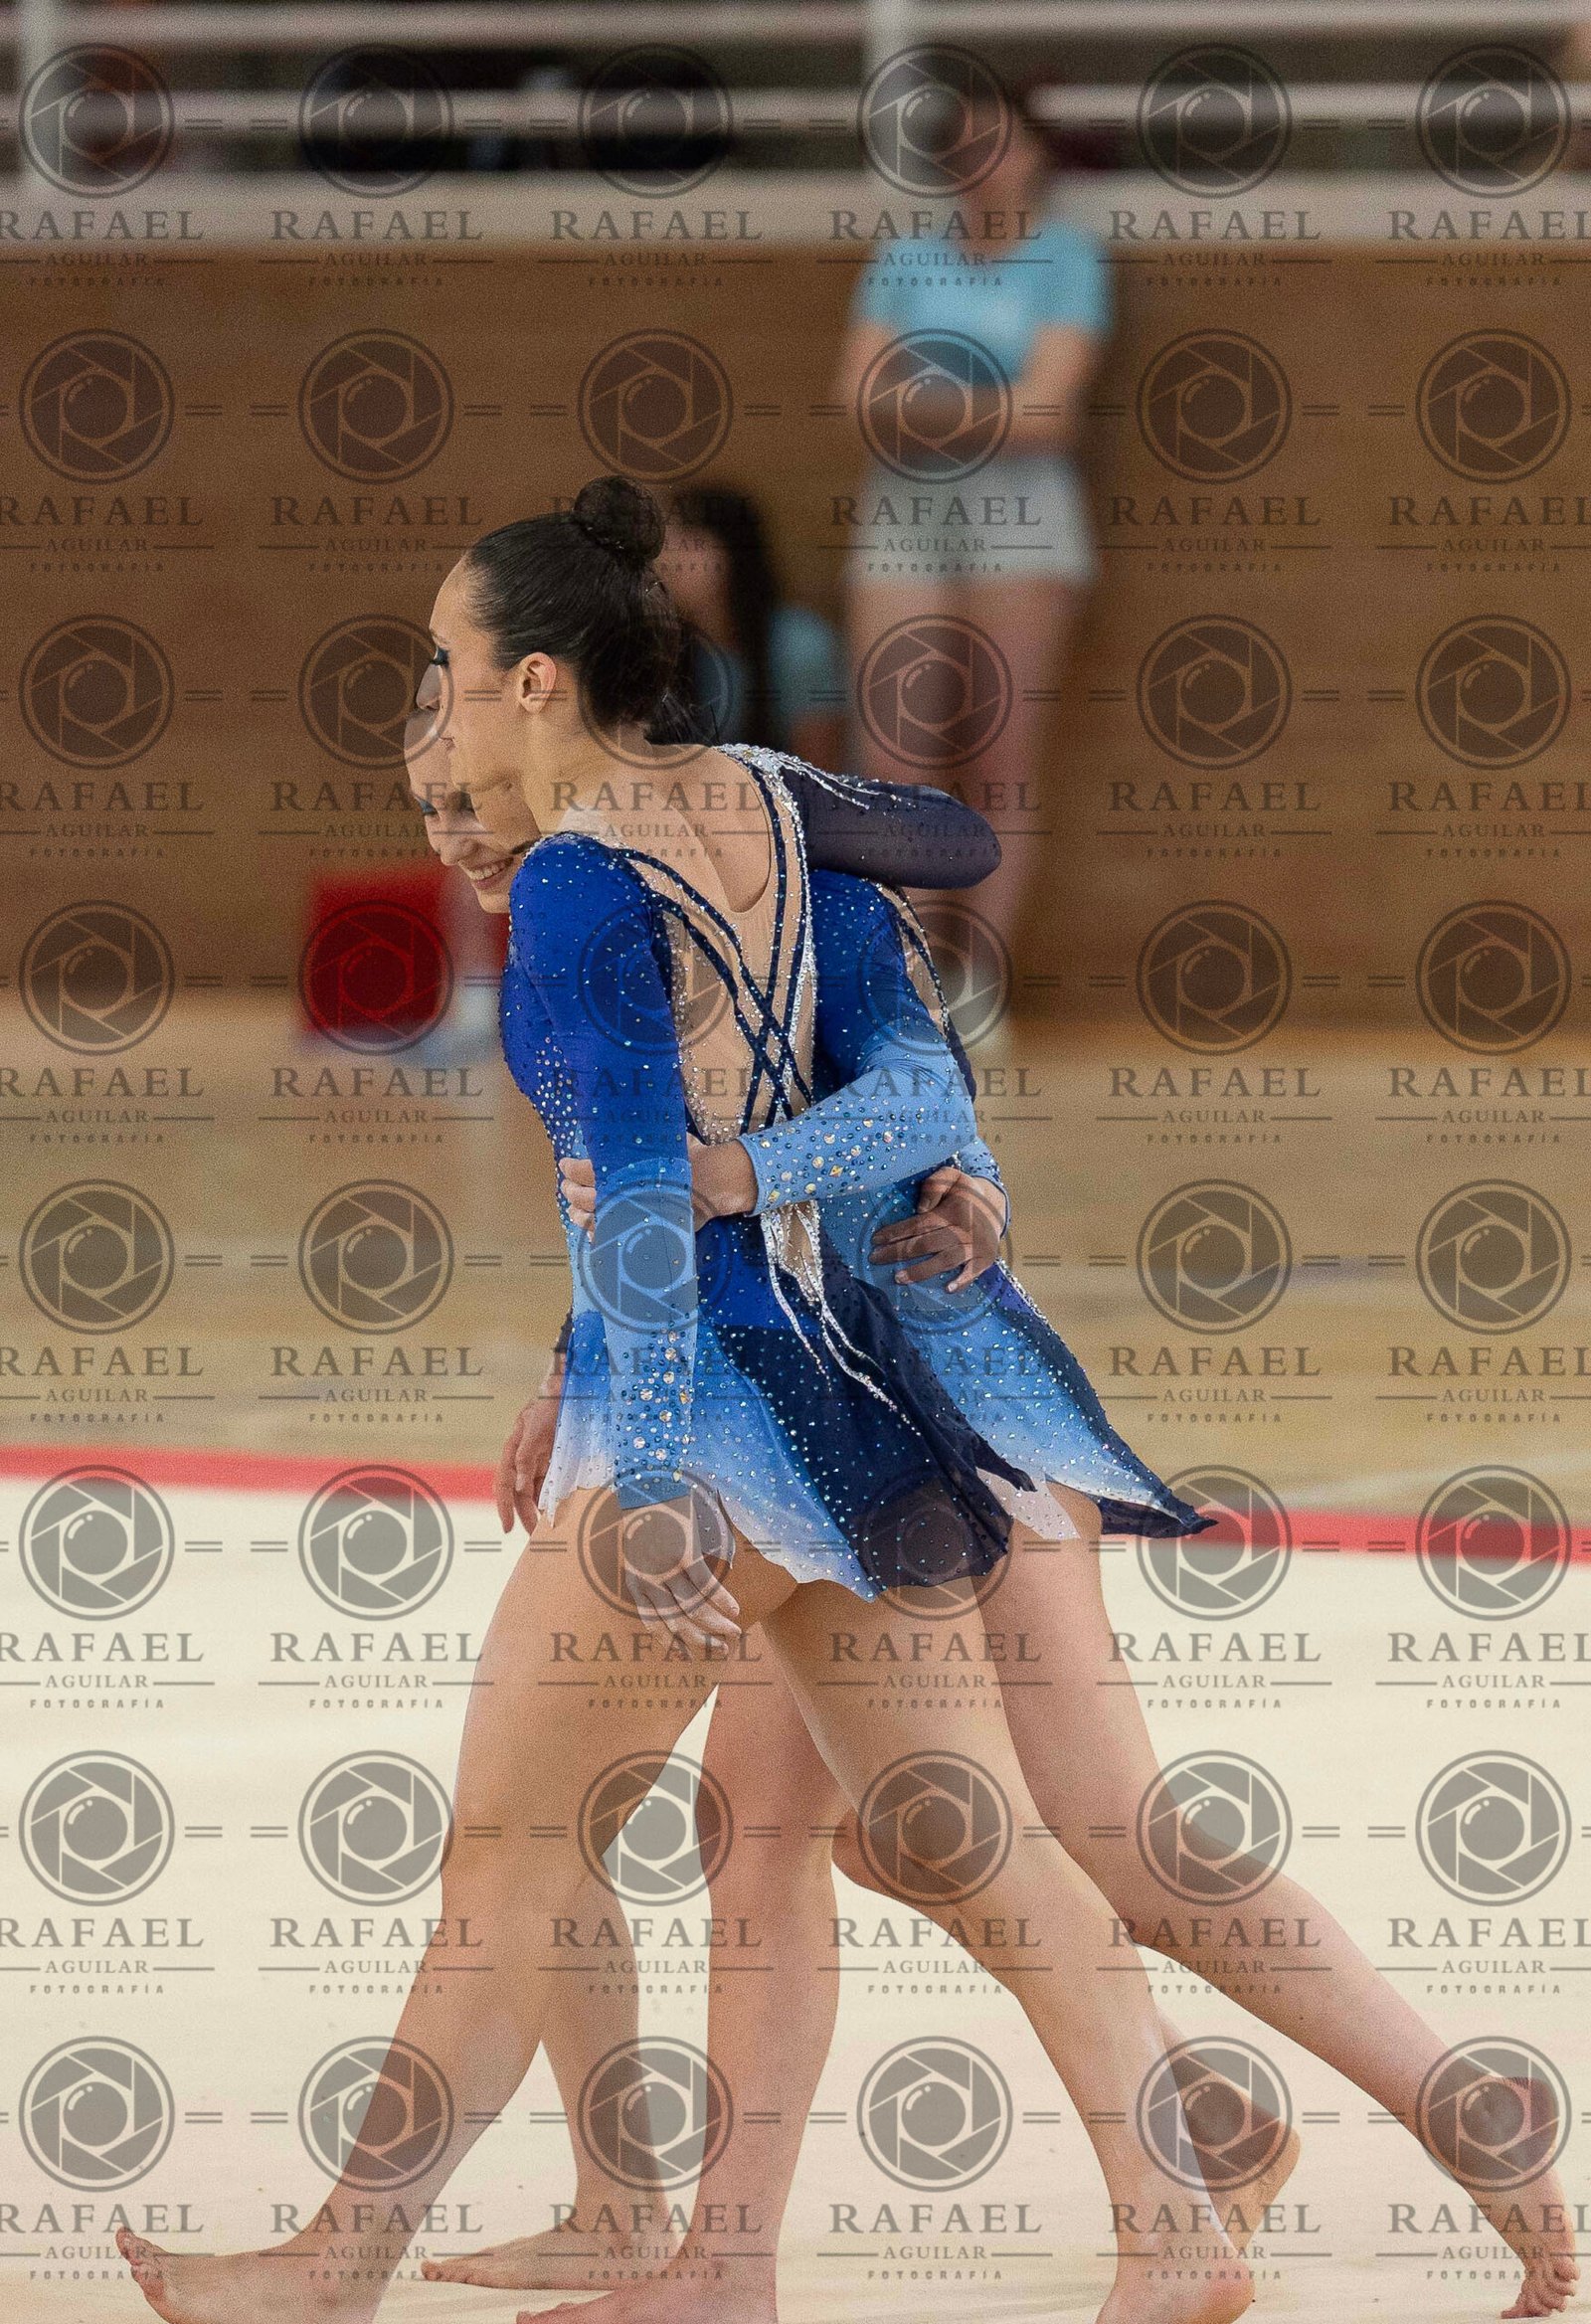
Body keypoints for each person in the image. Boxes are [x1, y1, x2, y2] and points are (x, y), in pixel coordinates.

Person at [116, 475, 1250, 2324]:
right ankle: (1177, 2228)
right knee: (987, 1853)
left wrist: (642, 1471)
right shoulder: (777, 817)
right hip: (850, 1411)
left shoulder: (579, 881)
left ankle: (334, 2268)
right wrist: (748, 1168)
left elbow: (645, 1195)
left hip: (708, 1424)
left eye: (449, 663)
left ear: (538, 681)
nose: (436, 705)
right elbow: (933, 970)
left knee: (510, 1850)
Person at [418, 745, 1577, 2320]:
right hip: (895, 1402)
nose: (459, 829)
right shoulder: (646, 915)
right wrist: (586, 1360)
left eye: (473, 789)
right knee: (1008, 1832)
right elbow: (656, 1189)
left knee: (886, 1835)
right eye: (431, 804)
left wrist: (768, 1179)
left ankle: (748, 2262)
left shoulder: (793, 898)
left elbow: (901, 1104)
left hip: (907, 1415)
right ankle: (1289, 2116)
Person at [836, 76, 1112, 991]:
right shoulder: (904, 259)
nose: (981, 161)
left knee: (1001, 757)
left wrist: (922, 405)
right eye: (964, 142)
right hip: (906, 513)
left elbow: (1051, 413)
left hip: (1024, 520)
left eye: (1001, 140)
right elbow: (857, 400)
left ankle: (979, 986)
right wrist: (995, 407)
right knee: (896, 755)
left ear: (1036, 156)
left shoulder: (1067, 259)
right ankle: (904, 984)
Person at [657, 482, 847, 773]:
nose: (668, 561)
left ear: (733, 551)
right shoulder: (666, 651)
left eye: (688, 544)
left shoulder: (801, 645)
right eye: (665, 546)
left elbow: (819, 777)